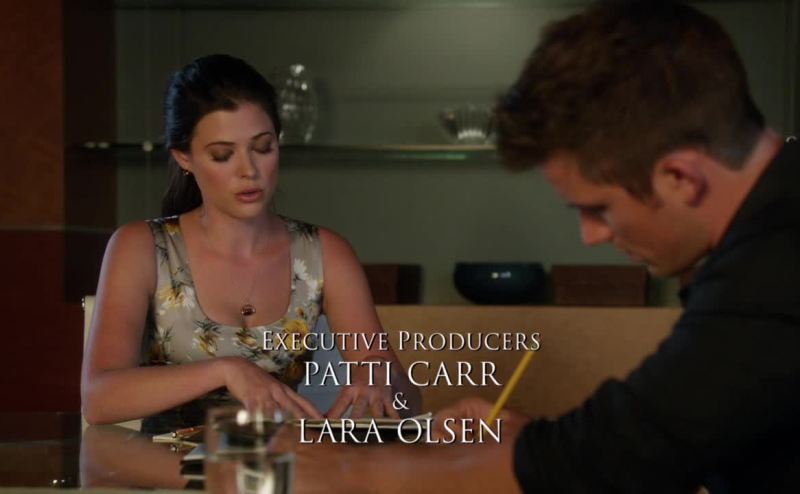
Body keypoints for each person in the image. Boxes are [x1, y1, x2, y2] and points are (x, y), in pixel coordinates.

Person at [292, 1, 800, 492]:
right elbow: (667, 438)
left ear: (680, 178)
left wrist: (350, 471)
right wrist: (530, 444)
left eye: (599, 209)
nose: (591, 236)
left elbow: (630, 452)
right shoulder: (771, 226)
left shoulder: (773, 266)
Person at [81, 54, 420, 432]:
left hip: (281, 463)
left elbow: (408, 403)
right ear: (184, 158)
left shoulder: (325, 252)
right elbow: (98, 399)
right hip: (164, 467)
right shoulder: (141, 248)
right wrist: (227, 370)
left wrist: (380, 376)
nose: (249, 171)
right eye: (222, 155)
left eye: (263, 148)